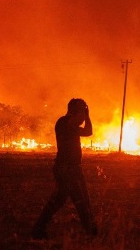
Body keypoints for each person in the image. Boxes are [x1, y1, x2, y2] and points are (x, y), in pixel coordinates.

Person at [32, 98, 97, 239]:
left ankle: (38, 229)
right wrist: (85, 115)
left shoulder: (71, 125)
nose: (83, 117)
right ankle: (91, 231)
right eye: (81, 113)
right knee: (81, 200)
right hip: (66, 169)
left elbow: (88, 131)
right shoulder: (63, 122)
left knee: (61, 199)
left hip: (72, 168)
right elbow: (83, 129)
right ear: (73, 112)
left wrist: (87, 116)